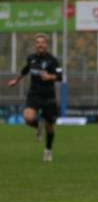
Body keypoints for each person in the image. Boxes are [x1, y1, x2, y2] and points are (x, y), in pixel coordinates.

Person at [7, 33, 64, 162]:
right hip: (34, 95)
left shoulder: (53, 60)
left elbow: (60, 77)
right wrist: (16, 81)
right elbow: (25, 70)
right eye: (38, 42)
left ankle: (48, 150)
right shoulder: (31, 58)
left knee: (50, 127)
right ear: (35, 45)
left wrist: (50, 77)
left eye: (42, 42)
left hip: (49, 97)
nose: (40, 45)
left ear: (46, 45)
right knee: (28, 118)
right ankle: (38, 125)